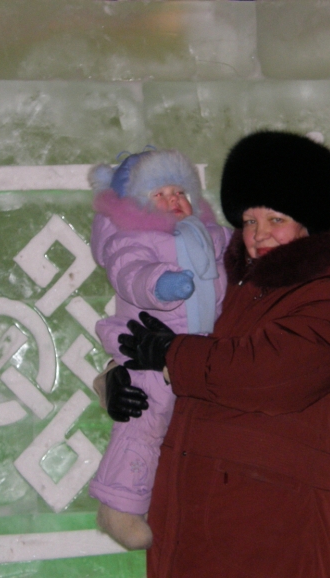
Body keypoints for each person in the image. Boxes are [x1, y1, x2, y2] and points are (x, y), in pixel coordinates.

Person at [112, 131, 330, 578]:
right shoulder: (236, 285)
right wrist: (119, 381)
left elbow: (270, 373)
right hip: (195, 510)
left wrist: (171, 354)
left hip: (269, 522)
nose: (259, 233)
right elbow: (175, 335)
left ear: (310, 221)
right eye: (249, 220)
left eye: (276, 218)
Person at [87, 148, 230, 550]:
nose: (174, 200)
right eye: (160, 194)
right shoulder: (135, 238)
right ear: (138, 204)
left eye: (181, 192)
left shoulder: (210, 236)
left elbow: (233, 253)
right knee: (143, 422)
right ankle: (119, 506)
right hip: (148, 350)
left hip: (195, 354)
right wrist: (160, 285)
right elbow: (130, 273)